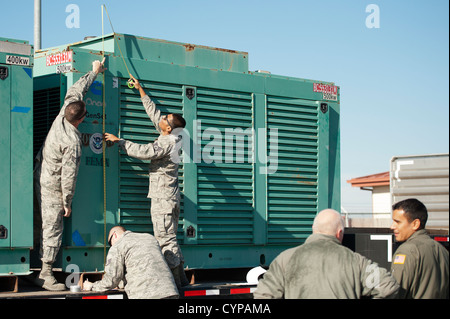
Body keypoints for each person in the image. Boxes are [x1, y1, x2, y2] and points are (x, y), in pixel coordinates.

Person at [104, 75, 189, 288]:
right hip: (168, 197)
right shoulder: (173, 135)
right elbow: (155, 115)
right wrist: (141, 90)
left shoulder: (167, 143)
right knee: (170, 238)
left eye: (166, 119)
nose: (162, 118)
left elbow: (145, 151)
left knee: (165, 240)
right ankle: (181, 281)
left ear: (168, 128)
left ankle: (175, 283)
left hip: (163, 199)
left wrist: (120, 141)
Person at [33, 59, 106, 291]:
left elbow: (76, 90)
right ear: (81, 119)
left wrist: (93, 72)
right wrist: (67, 203)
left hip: (39, 175)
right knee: (52, 228)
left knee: (39, 224)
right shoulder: (72, 140)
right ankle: (45, 274)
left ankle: (34, 263)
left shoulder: (61, 115)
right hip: (53, 186)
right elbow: (69, 175)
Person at [253, 209, 399, 299]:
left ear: (313, 229)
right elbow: (388, 287)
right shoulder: (355, 261)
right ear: (339, 232)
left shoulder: (285, 259)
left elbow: (263, 295)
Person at [83, 226, 179, 299]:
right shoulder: (149, 238)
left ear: (114, 235)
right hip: (170, 292)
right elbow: (144, 267)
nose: (111, 245)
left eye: (110, 242)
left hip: (146, 295)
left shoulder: (118, 245)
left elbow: (111, 279)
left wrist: (92, 286)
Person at [390, 198, 449, 299]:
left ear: (415, 224)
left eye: (397, 222)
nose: (392, 226)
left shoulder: (406, 251)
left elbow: (394, 293)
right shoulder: (442, 250)